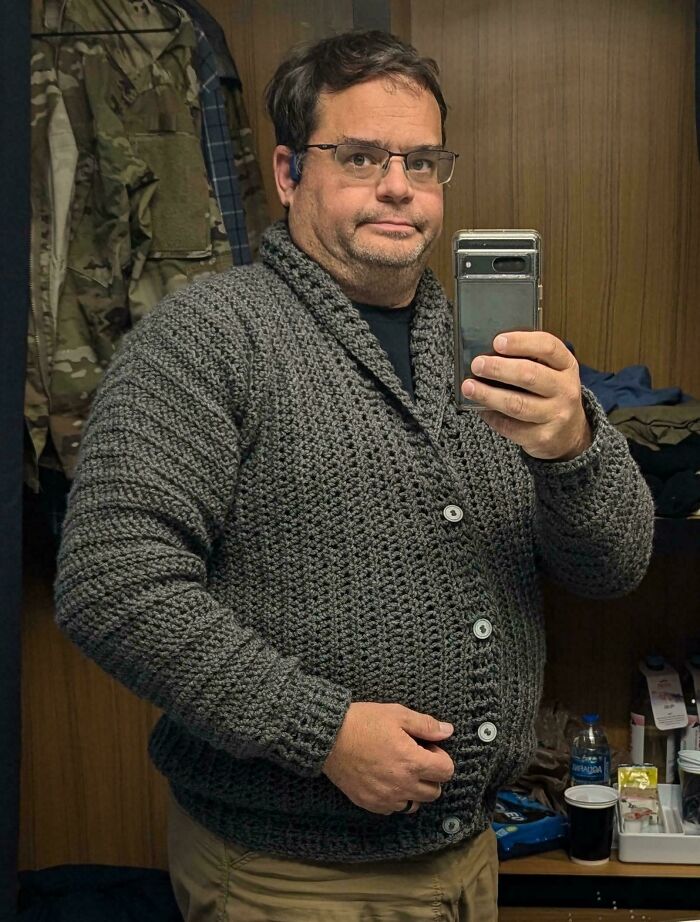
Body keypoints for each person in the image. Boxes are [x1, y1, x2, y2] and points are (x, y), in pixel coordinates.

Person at [54, 28, 654, 922]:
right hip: (290, 880)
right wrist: (320, 731)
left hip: (470, 856)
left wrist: (574, 450)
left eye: (422, 159)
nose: (398, 186)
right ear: (290, 173)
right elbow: (110, 582)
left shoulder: (491, 355)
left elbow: (612, 567)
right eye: (362, 155)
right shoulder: (207, 339)